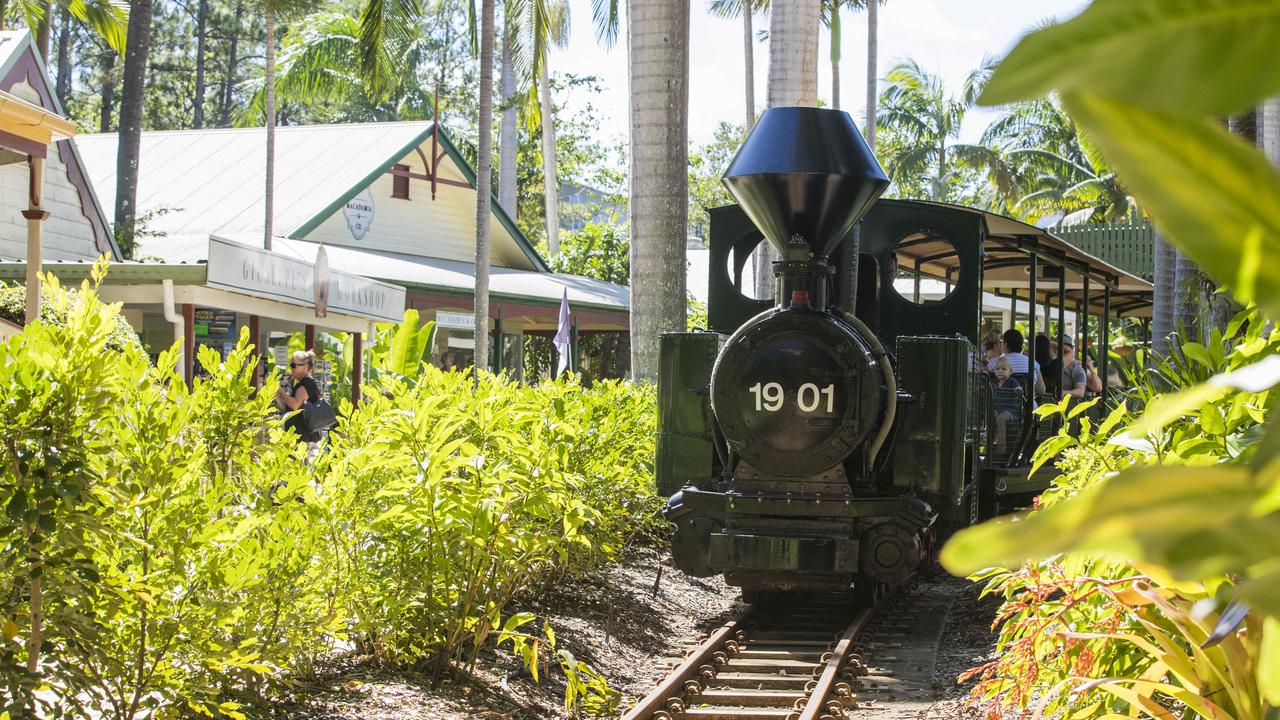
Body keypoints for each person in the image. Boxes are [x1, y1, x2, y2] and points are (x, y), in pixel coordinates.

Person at [276, 349, 322, 444]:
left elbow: (295, 405)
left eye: (294, 365)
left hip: (304, 439)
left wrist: (281, 392)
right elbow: (287, 408)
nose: (291, 368)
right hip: (299, 438)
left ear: (305, 367)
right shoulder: (302, 383)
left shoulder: (306, 383)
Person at [988, 329, 1046, 395]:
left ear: (1005, 344)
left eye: (1002, 342)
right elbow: (1041, 390)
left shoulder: (994, 363)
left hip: (1001, 403)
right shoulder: (1032, 363)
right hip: (1027, 404)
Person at [991, 356, 1022, 450]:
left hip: (1011, 411)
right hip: (997, 410)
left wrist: (1018, 389)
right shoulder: (994, 384)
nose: (1000, 371)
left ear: (1010, 372)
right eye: (997, 369)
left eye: (1004, 369)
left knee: (1001, 419)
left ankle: (1001, 445)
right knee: (990, 416)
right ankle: (988, 441)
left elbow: (1019, 388)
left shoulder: (1012, 381)